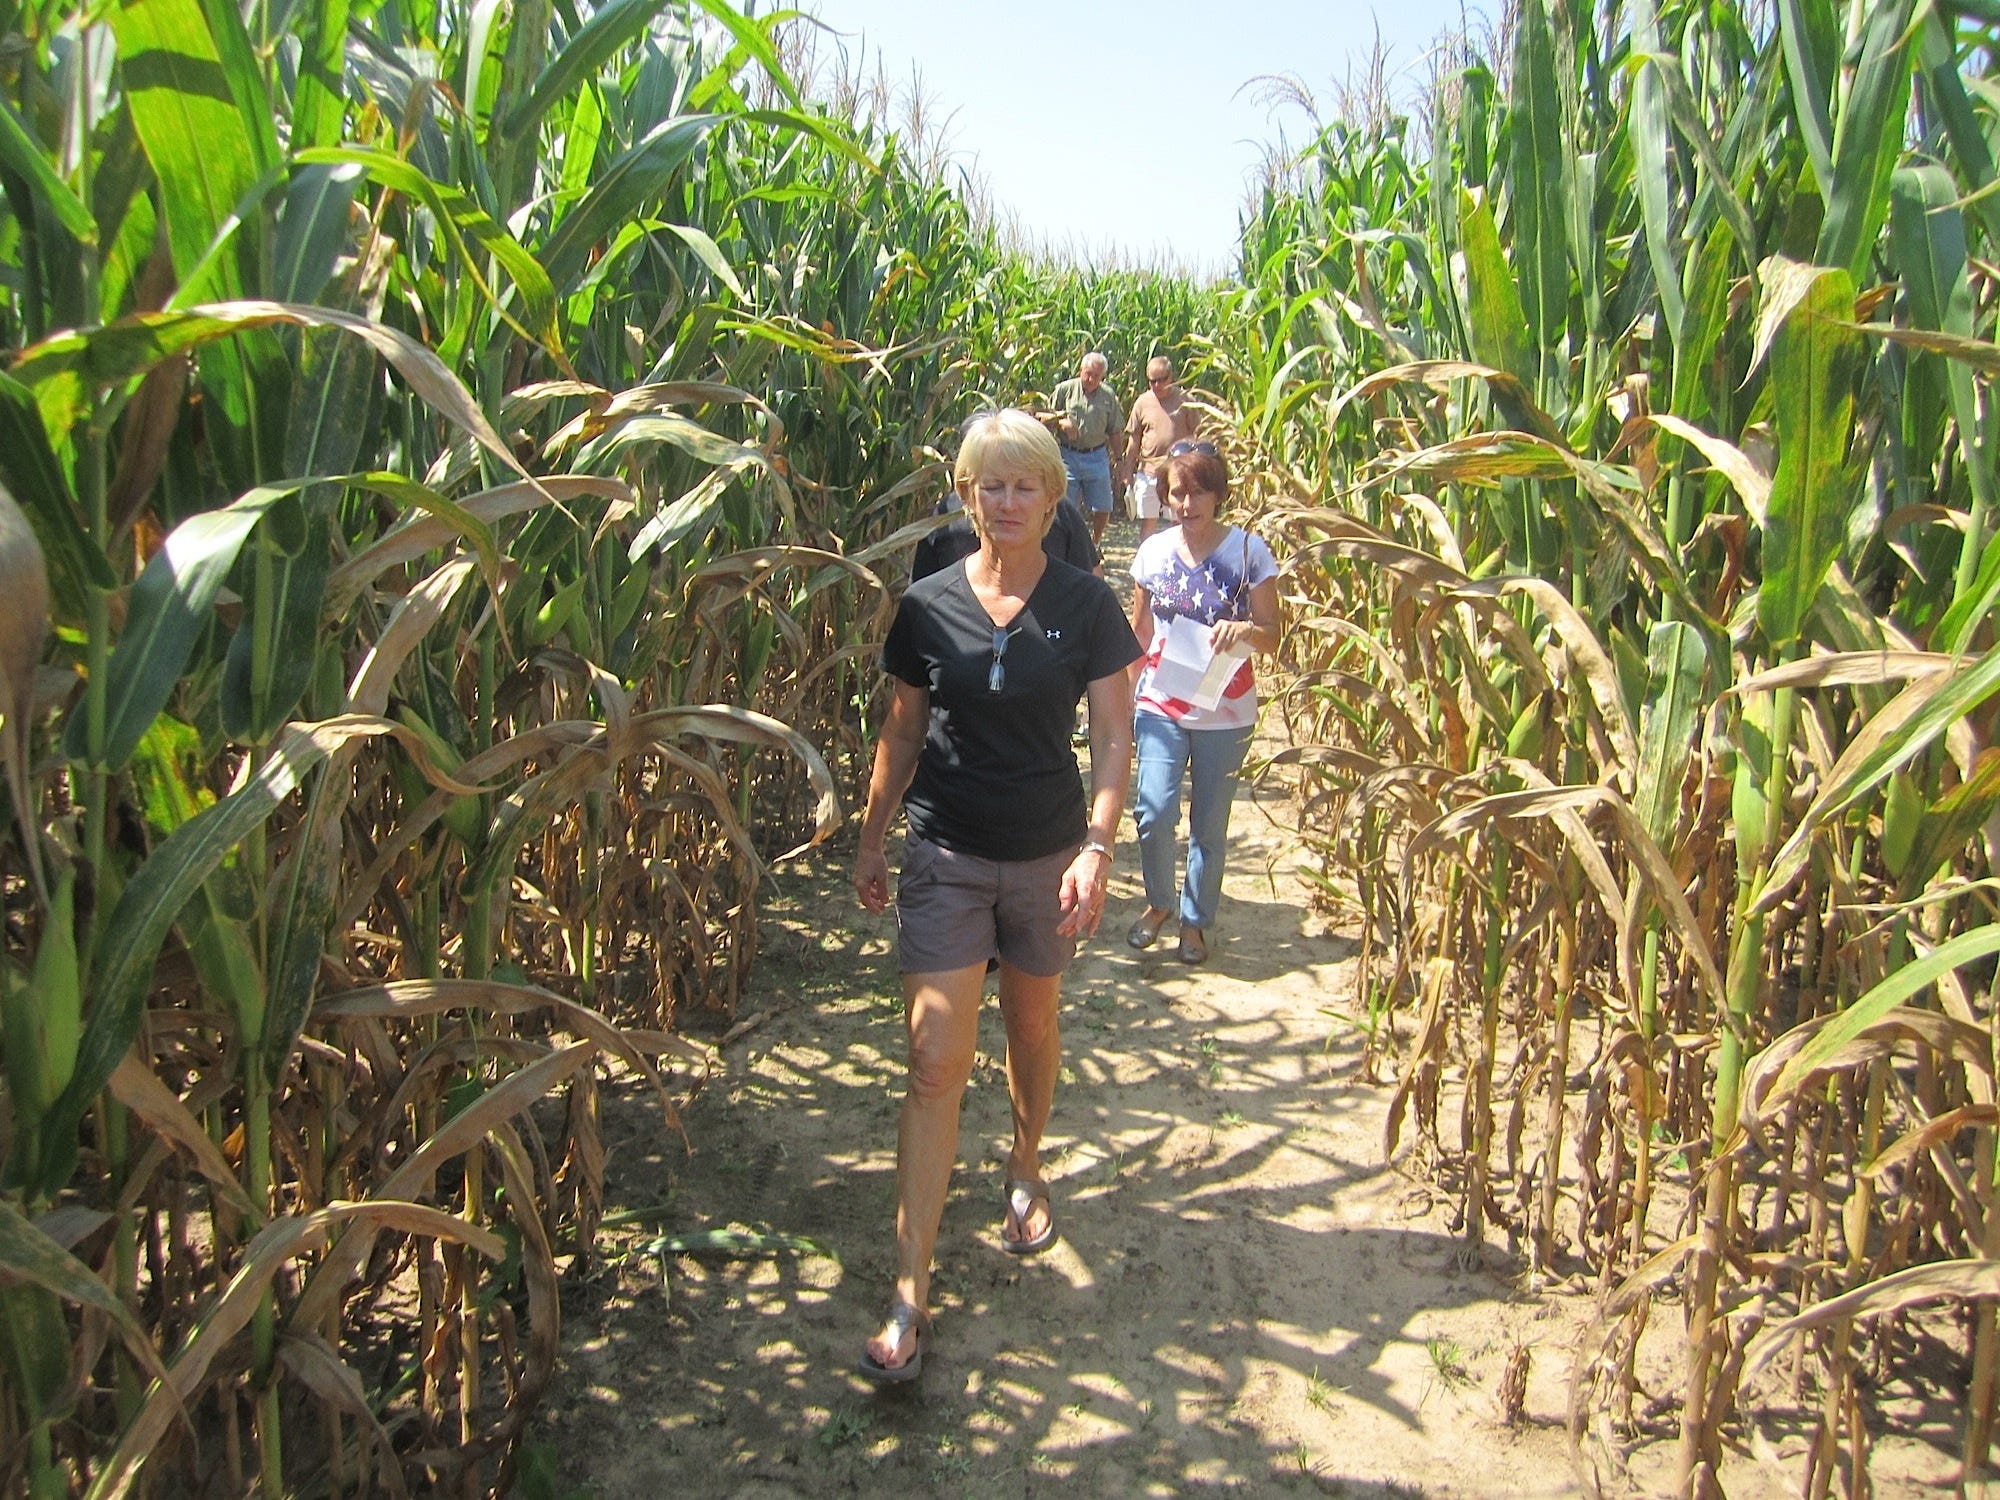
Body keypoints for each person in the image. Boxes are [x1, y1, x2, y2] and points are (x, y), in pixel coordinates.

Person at [852, 408, 1140, 1383]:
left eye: (1024, 486)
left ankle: (1024, 1162)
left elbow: (1109, 740)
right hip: (945, 851)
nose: (1006, 501)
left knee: (1032, 1024)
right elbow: (900, 730)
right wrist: (868, 835)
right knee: (934, 1058)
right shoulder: (927, 603)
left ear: (1053, 498)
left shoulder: (1085, 605)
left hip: (1046, 854)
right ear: (967, 495)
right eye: (990, 484)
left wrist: (1097, 847)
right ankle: (908, 1289)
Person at [1125, 440, 1281, 965]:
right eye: (1177, 494)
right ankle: (1159, 903)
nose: (1187, 504)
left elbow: (1272, 634)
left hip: (1226, 709)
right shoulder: (1152, 552)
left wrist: (1245, 630)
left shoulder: (1248, 553)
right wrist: (1126, 697)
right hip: (1161, 699)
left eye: (1198, 493)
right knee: (1153, 809)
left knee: (1209, 825)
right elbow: (1140, 629)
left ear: (1217, 495)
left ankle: (1195, 922)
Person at [911, 485, 1098, 581]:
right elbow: (1093, 573)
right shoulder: (1061, 511)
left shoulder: (941, 516)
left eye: (1024, 488)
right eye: (992, 486)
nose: (1009, 505)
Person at [1049, 351, 1126, 549]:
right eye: (1088, 374)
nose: (1091, 379)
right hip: (1068, 455)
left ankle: (1095, 543)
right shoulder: (1064, 390)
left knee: (1103, 506)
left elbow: (1115, 430)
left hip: (1097, 455)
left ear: (1103, 376)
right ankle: (1066, 545)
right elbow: (1044, 416)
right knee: (1064, 506)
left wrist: (1119, 460)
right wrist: (1062, 423)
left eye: (1096, 376)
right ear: (1080, 370)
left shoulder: (1108, 396)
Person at [1122, 355, 1198, 545]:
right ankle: (1146, 564)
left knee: (1178, 519)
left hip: (1178, 471)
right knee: (1148, 521)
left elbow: (1197, 433)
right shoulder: (1142, 402)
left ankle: (1178, 560)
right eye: (1152, 381)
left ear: (1171, 377)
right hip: (1149, 472)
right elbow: (1134, 438)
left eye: (1161, 380)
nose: (1157, 385)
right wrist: (1127, 470)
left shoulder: (1185, 400)